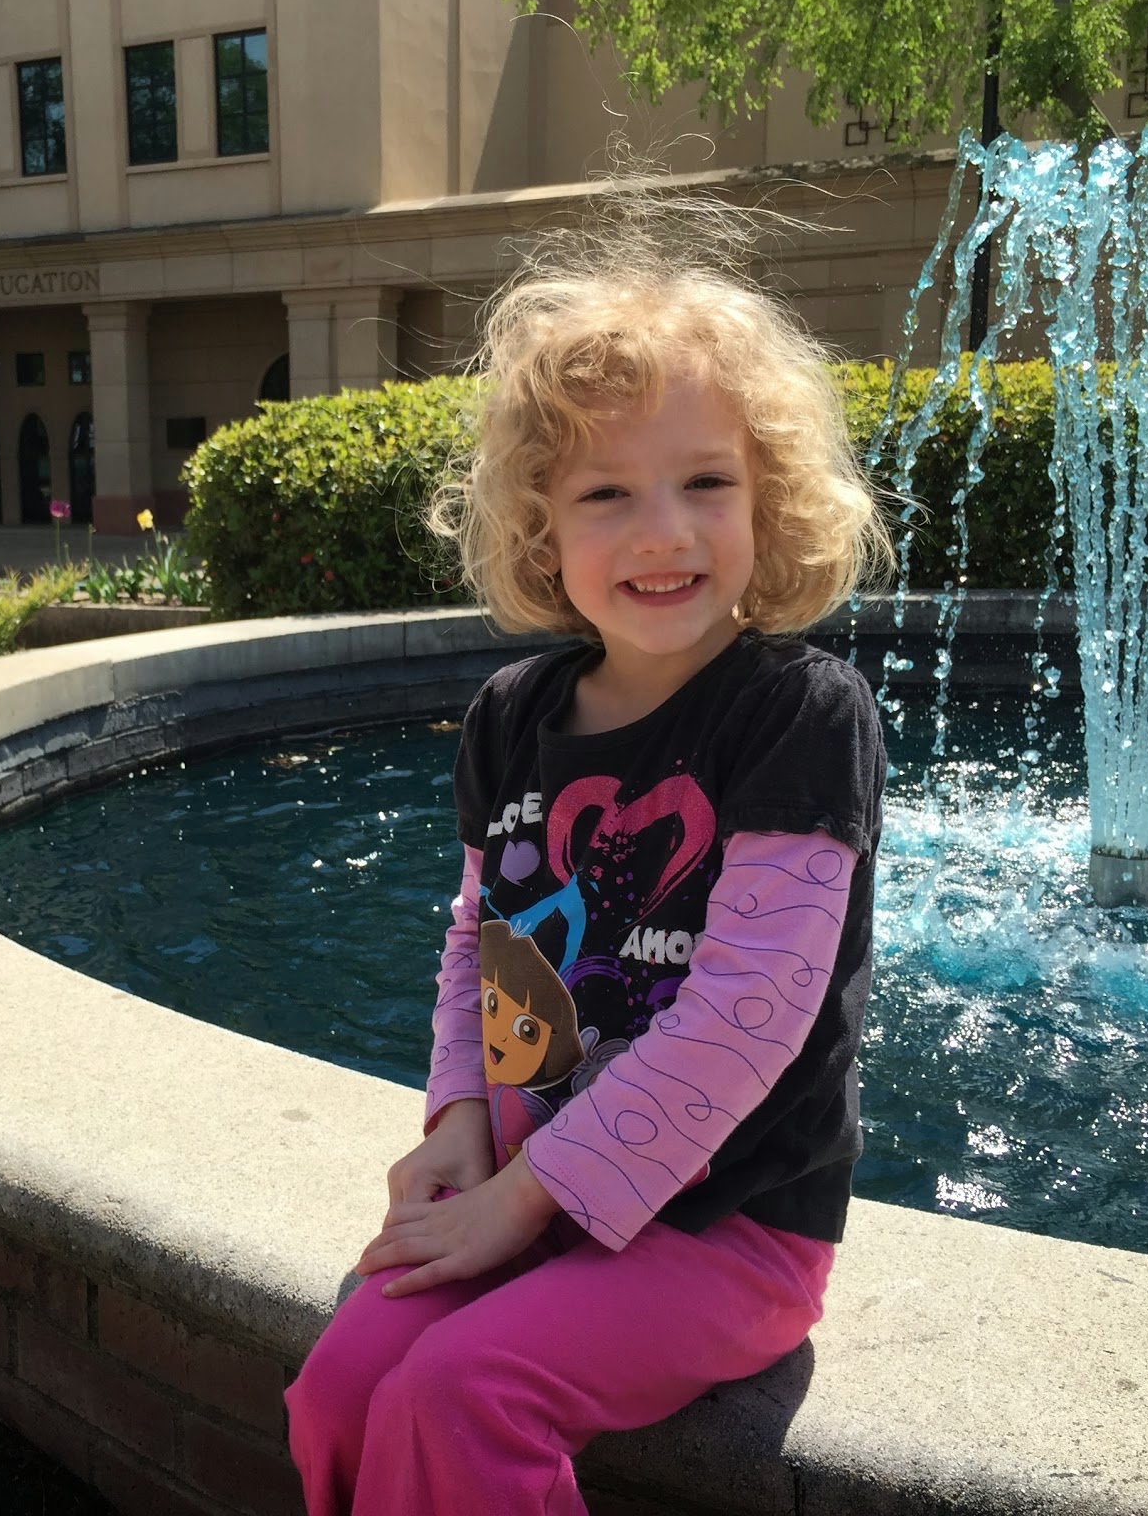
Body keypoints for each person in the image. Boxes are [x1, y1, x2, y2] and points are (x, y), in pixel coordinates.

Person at [284, 216, 895, 1513]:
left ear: (770, 499)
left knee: (463, 1392)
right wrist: (459, 1126)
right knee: (338, 1386)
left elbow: (745, 1017)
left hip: (730, 1234)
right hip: (530, 1190)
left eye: (706, 482)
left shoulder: (797, 713)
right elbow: (477, 944)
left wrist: (517, 1204)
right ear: (539, 527)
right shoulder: (512, 714)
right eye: (605, 494)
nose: (661, 532)